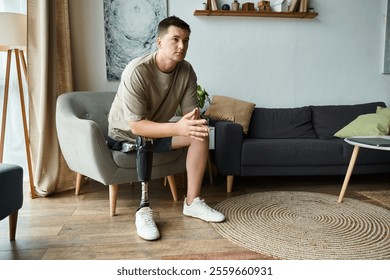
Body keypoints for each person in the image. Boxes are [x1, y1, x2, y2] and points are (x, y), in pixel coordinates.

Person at [107, 16, 225, 241]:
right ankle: (143, 209)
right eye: (175, 39)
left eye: (186, 40)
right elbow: (136, 125)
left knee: (199, 132)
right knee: (145, 137)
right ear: (159, 42)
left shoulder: (187, 71)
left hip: (157, 132)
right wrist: (178, 129)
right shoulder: (137, 71)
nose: (182, 46)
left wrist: (189, 125)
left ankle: (192, 202)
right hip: (126, 136)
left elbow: (192, 116)